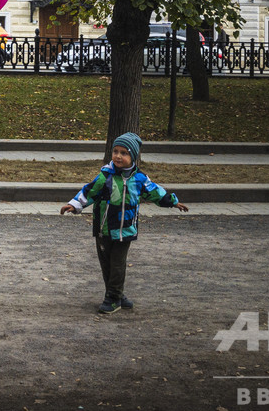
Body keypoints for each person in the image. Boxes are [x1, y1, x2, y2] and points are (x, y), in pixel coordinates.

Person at [60, 132, 189, 313]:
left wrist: (173, 202)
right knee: (107, 264)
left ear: (133, 157)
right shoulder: (105, 176)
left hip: (126, 229)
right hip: (104, 229)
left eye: (124, 153)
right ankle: (117, 294)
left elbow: (156, 193)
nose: (118, 156)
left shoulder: (140, 179)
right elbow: (89, 192)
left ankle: (113, 298)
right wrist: (73, 205)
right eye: (116, 151)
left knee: (118, 264)